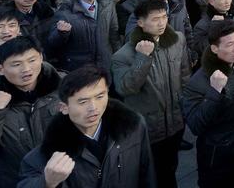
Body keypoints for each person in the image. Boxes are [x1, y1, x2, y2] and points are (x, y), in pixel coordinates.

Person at [17, 65, 156, 188]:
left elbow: (147, 174)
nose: (93, 108)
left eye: (100, 96)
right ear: (64, 108)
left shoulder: (133, 126)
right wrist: (47, 182)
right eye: (83, 102)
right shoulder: (46, 153)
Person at [111, 0, 191, 188]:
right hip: (148, 129)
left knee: (170, 169)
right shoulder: (124, 55)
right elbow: (125, 88)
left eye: (164, 17)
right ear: (140, 22)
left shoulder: (177, 40)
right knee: (151, 175)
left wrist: (184, 108)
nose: (162, 22)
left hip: (175, 122)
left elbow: (185, 75)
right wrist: (142, 58)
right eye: (155, 19)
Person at [181, 20, 234, 188]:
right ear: (215, 49)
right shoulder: (198, 81)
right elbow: (195, 125)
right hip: (217, 157)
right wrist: (214, 92)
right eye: (230, 44)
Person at [0, 36, 62, 188]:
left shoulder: (66, 88)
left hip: (62, 178)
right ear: (1, 69)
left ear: (41, 57)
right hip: (11, 181)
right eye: (16, 64)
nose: (26, 69)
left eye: (32, 60)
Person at [48, 0, 120, 72]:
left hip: (105, 61)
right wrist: (62, 33)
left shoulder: (108, 5)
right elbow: (52, 42)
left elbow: (113, 32)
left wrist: (117, 56)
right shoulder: (65, 11)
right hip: (80, 65)